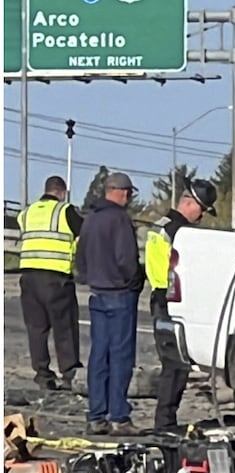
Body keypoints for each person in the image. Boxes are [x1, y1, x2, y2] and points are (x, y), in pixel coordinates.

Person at [74, 172, 144, 436]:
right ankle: (119, 416)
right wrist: (134, 280)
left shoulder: (90, 220)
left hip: (97, 293)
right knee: (121, 356)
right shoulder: (119, 220)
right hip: (119, 293)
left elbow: (80, 257)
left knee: (98, 355)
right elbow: (127, 259)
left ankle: (96, 415)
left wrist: (90, 277)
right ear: (123, 192)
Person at [146, 178, 217, 435]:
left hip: (160, 296)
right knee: (176, 365)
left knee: (174, 364)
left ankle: (165, 419)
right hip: (171, 300)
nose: (202, 216)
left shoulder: (162, 225)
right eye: (202, 210)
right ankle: (164, 422)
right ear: (190, 203)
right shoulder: (181, 232)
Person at [16, 176, 84, 391]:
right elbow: (83, 233)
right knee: (64, 327)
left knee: (36, 329)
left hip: (28, 278)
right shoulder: (65, 211)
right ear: (62, 192)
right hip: (56, 278)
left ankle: (43, 374)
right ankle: (69, 371)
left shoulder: (26, 213)